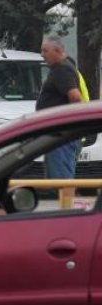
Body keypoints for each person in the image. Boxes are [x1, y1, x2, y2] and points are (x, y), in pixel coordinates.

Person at [37, 36, 89, 204]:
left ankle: (71, 213)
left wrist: (67, 123)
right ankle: (71, 209)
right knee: (62, 177)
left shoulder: (62, 69)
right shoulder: (66, 67)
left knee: (63, 178)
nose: (42, 54)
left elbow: (75, 97)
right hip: (62, 134)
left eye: (45, 50)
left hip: (62, 135)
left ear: (58, 51)